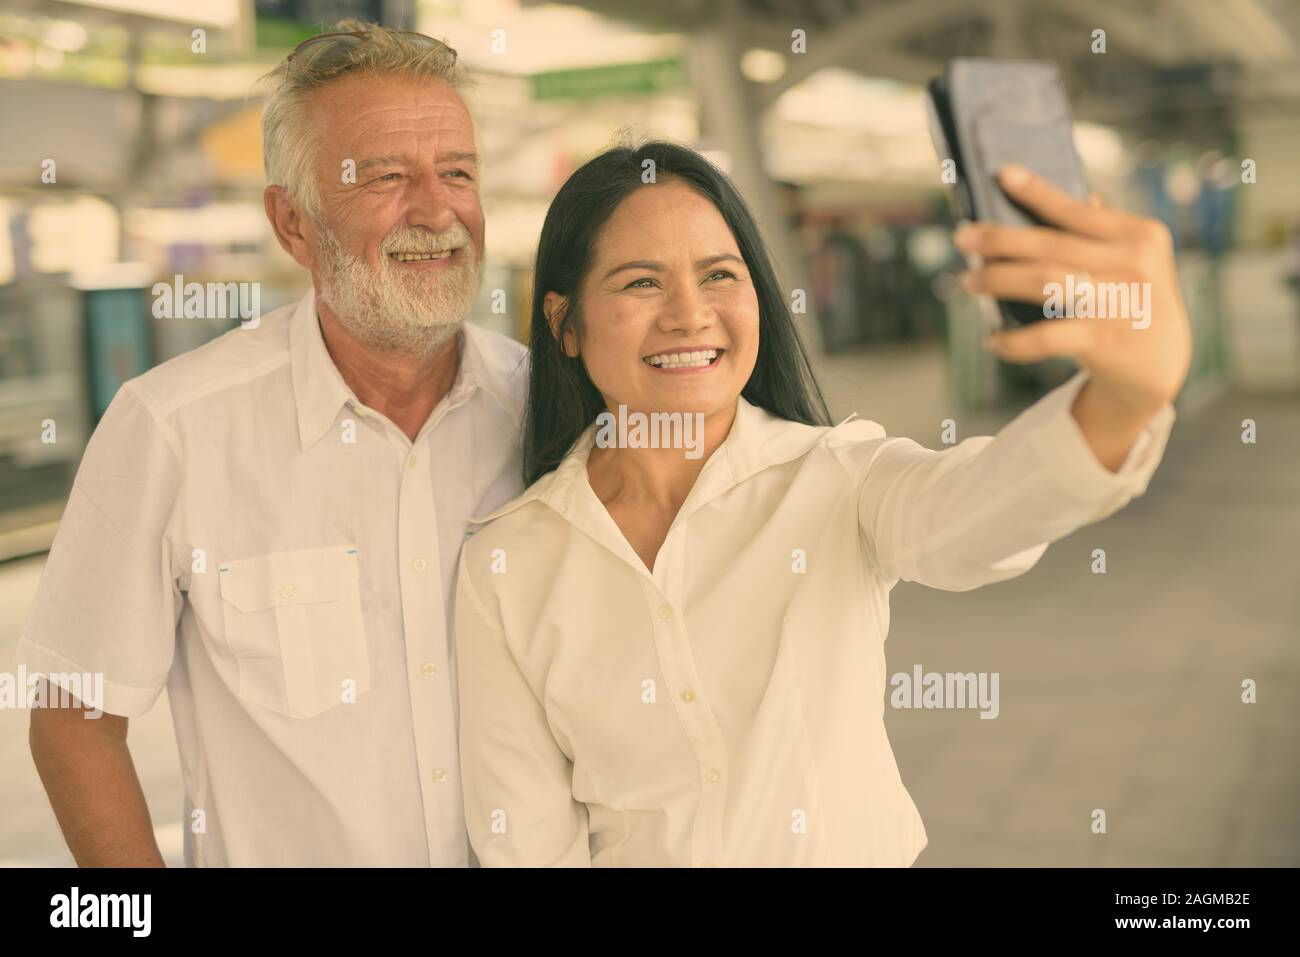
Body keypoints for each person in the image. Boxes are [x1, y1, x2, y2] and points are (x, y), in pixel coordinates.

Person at [454, 140, 1189, 866]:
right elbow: (528, 842)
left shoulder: (840, 478)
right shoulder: (507, 563)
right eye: (641, 283)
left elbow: (979, 511)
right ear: (564, 322)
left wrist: (1124, 402)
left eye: (718, 274)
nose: (690, 313)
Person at [14, 21, 526, 866]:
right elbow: (73, 719)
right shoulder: (173, 429)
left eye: (458, 173)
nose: (437, 211)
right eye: (387, 177)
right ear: (293, 223)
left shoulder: (547, 413)